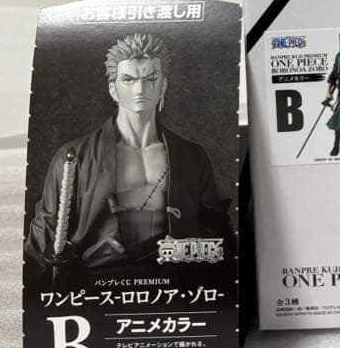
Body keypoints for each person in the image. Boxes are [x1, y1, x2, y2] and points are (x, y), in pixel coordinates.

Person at [25, 33, 231, 277]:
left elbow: (217, 235)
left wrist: (188, 255)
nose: (140, 89)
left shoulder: (192, 157)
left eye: (150, 78)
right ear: (113, 89)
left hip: (174, 285)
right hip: (97, 287)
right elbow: (43, 239)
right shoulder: (73, 157)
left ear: (163, 85)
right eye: (129, 79)